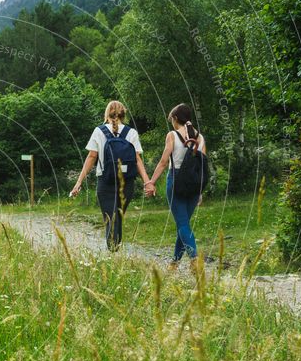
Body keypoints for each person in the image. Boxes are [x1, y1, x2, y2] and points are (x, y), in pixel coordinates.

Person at [70, 100, 154, 251]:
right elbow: (137, 160)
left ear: (107, 113)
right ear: (123, 114)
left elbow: (91, 157)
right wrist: (147, 182)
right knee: (118, 216)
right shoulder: (131, 133)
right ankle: (115, 247)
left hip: (105, 181)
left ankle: (113, 248)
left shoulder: (99, 131)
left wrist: (78, 183)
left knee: (110, 217)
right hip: (127, 182)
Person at [146, 103, 207, 269]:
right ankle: (174, 263)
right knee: (184, 223)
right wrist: (200, 191)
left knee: (182, 224)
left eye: (171, 119)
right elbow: (202, 166)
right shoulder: (200, 138)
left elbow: (164, 162)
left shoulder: (172, 135)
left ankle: (195, 260)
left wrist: (151, 182)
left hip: (176, 181)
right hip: (194, 184)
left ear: (175, 119)